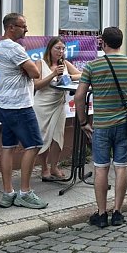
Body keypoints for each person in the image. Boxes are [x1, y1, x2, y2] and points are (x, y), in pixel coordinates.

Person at [75, 27, 127, 228]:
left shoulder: (92, 66)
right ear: (120, 42)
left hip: (102, 124)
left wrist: (83, 122)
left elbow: (79, 97)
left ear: (103, 42)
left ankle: (102, 213)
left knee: (100, 168)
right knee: (122, 166)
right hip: (124, 124)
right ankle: (118, 212)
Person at [0, 13, 48, 210]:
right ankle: (25, 192)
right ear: (11, 28)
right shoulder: (14, 48)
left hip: (4, 103)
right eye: (23, 26)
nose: (26, 29)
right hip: (20, 105)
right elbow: (35, 73)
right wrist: (26, 69)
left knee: (8, 147)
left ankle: (8, 193)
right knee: (33, 145)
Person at [33, 36, 81, 182]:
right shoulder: (40, 63)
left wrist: (68, 77)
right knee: (43, 137)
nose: (60, 51)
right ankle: (44, 168)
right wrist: (53, 75)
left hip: (59, 105)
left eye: (63, 48)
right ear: (50, 49)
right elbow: (36, 85)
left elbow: (81, 74)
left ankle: (54, 166)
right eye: (57, 48)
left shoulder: (65, 64)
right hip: (42, 105)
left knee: (58, 137)